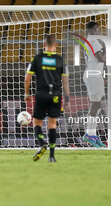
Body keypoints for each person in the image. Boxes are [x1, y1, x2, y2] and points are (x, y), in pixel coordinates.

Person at [25, 34, 70, 162]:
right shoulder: (60, 60)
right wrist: (66, 98)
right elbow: (65, 81)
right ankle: (52, 156)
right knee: (52, 124)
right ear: (56, 45)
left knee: (37, 122)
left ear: (44, 45)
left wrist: (27, 94)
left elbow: (27, 78)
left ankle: (41, 143)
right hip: (56, 95)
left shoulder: (37, 58)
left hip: (41, 94)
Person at [82, 22, 106, 148]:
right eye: (98, 29)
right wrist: (106, 49)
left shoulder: (88, 41)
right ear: (95, 29)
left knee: (97, 105)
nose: (99, 31)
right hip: (93, 75)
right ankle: (89, 134)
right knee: (95, 104)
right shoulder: (94, 41)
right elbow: (101, 58)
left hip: (93, 74)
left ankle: (93, 133)